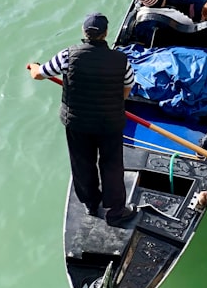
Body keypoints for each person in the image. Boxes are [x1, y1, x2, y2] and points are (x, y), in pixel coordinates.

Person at [27, 13, 137, 227]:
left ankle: (90, 203)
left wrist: (32, 66)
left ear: (84, 32)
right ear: (106, 34)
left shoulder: (68, 56)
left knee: (82, 163)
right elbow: (128, 86)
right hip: (110, 123)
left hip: (78, 123)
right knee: (112, 165)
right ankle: (115, 212)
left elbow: (40, 74)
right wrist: (115, 103)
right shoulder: (120, 61)